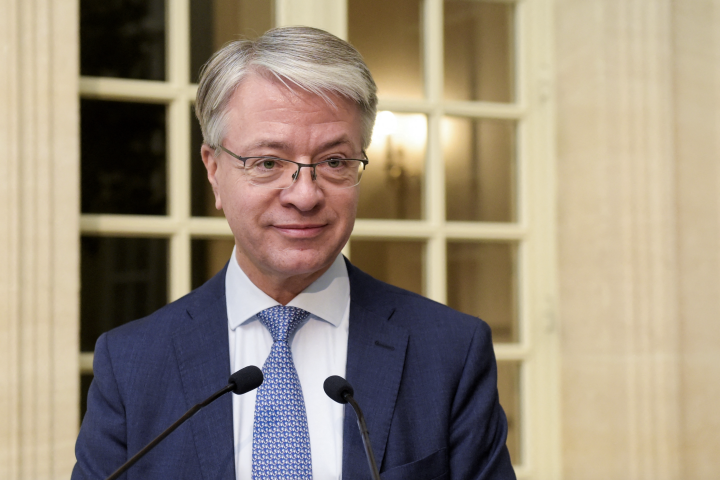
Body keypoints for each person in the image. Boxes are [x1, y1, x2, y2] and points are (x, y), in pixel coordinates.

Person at [72, 26, 515, 480]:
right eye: (267, 163)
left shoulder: (449, 353)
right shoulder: (132, 365)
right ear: (213, 169)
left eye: (335, 162)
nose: (304, 196)